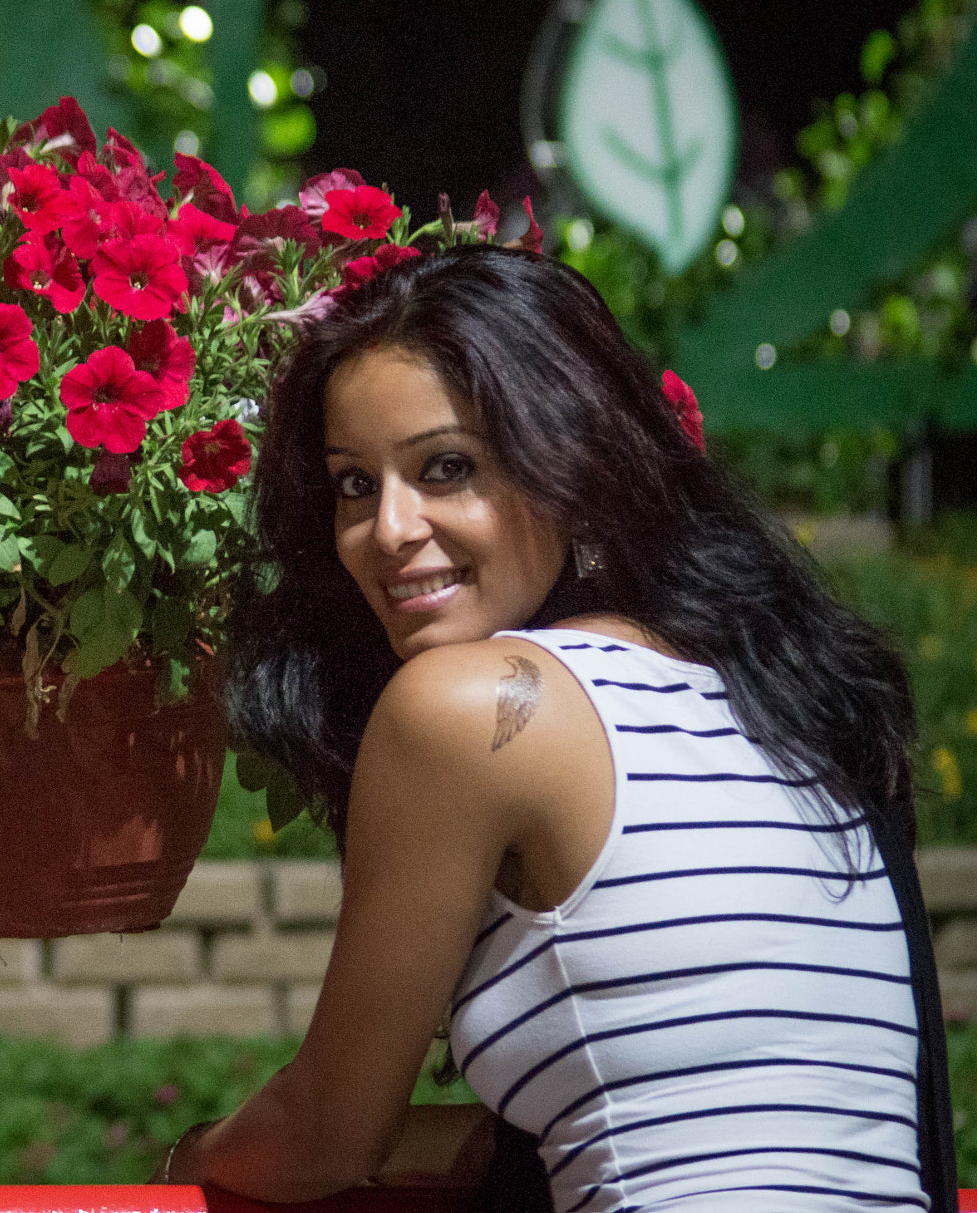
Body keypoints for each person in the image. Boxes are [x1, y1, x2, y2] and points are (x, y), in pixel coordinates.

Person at [158, 244, 951, 1210]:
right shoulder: (781, 704)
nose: (389, 528)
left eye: (446, 469)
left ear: (572, 470)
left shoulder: (476, 708)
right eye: (353, 484)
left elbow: (326, 1134)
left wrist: (183, 1167)